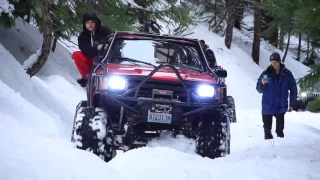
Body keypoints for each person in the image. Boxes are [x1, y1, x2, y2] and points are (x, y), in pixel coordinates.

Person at [256, 52, 297, 139]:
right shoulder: (266, 73)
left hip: (281, 106)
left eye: (275, 62)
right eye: (272, 62)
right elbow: (258, 89)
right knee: (267, 131)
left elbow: (293, 88)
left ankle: (280, 149)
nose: (273, 64)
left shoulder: (287, 74)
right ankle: (268, 149)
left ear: (279, 62)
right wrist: (262, 84)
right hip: (268, 106)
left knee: (280, 131)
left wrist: (292, 104)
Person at [72, 12, 112, 87]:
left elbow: (114, 41)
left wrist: (109, 42)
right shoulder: (83, 36)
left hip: (106, 60)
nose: (90, 24)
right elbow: (86, 50)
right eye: (88, 22)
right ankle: (87, 78)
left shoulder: (104, 30)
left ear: (96, 22)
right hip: (92, 59)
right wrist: (98, 48)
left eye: (92, 22)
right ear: (84, 24)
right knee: (76, 55)